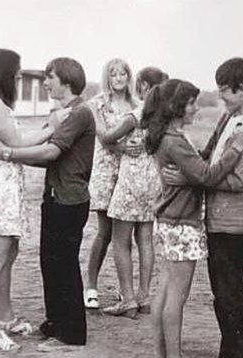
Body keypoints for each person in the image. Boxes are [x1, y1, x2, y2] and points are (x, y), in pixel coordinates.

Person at [163, 58, 243, 358]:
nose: (220, 94)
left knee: (231, 295)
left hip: (235, 222)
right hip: (220, 219)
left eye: (225, 89)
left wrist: (191, 179)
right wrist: (198, 171)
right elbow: (210, 159)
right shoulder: (230, 117)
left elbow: (239, 180)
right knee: (223, 294)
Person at [144, 78, 243, 358]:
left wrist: (189, 176)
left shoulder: (168, 137)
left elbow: (196, 167)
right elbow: (207, 175)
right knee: (176, 296)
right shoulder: (175, 141)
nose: (196, 108)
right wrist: (236, 147)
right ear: (176, 107)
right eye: (191, 103)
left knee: (165, 291)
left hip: (169, 221)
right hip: (182, 224)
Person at [0, 57, 96, 352]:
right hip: (55, 197)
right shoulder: (61, 113)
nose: (45, 83)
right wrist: (12, 155)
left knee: (64, 265)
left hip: (69, 200)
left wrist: (7, 154)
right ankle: (55, 323)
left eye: (50, 77)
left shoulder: (79, 113)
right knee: (50, 263)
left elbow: (49, 152)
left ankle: (71, 334)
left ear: (67, 80)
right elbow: (41, 153)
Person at [0, 49, 57, 351]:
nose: (19, 77)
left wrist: (45, 130)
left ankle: (5, 317)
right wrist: (52, 129)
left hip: (5, 184)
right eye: (17, 72)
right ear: (4, 72)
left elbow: (14, 139)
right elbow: (17, 141)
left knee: (8, 252)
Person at [100, 67, 168, 317]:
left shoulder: (135, 116)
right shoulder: (163, 117)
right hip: (152, 181)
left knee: (121, 241)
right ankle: (144, 296)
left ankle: (127, 298)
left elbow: (107, 138)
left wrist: (99, 122)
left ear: (143, 86)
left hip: (131, 180)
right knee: (145, 240)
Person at [84, 58, 137, 310]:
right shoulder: (97, 104)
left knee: (124, 235)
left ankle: (125, 290)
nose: (118, 78)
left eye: (122, 73)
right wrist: (122, 147)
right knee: (104, 232)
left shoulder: (136, 105)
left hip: (130, 172)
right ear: (107, 77)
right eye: (114, 74)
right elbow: (103, 137)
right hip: (106, 171)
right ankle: (91, 286)